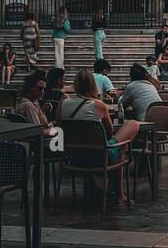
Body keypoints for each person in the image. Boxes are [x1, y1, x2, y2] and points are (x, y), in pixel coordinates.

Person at [60, 70, 140, 204]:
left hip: (74, 156)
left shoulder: (63, 104)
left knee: (102, 145)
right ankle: (119, 194)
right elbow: (108, 133)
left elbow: (61, 126)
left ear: (75, 85)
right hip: (100, 157)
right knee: (131, 128)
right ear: (93, 85)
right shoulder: (99, 106)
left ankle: (94, 187)